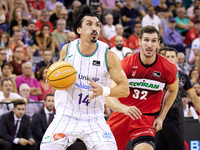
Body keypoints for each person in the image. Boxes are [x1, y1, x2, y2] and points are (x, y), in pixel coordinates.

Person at [40, 5, 129, 150]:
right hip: (67, 115)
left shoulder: (109, 56)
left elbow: (125, 90)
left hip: (94, 118)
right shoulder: (67, 50)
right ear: (79, 30)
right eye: (89, 24)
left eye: (97, 25)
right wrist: (52, 78)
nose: (95, 28)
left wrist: (103, 91)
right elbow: (56, 82)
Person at [106, 26, 179, 150]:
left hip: (145, 118)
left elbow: (173, 90)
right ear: (139, 42)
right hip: (122, 114)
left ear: (158, 44)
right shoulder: (126, 64)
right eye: (146, 40)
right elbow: (109, 96)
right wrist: (125, 108)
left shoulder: (169, 68)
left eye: (153, 41)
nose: (149, 44)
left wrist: (161, 117)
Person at [155, 47, 200, 150]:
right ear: (163, 58)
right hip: (162, 113)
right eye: (167, 57)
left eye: (172, 57)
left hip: (177, 114)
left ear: (177, 59)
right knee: (178, 146)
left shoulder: (183, 76)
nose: (170, 59)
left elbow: (193, 96)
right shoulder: (157, 75)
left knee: (161, 146)